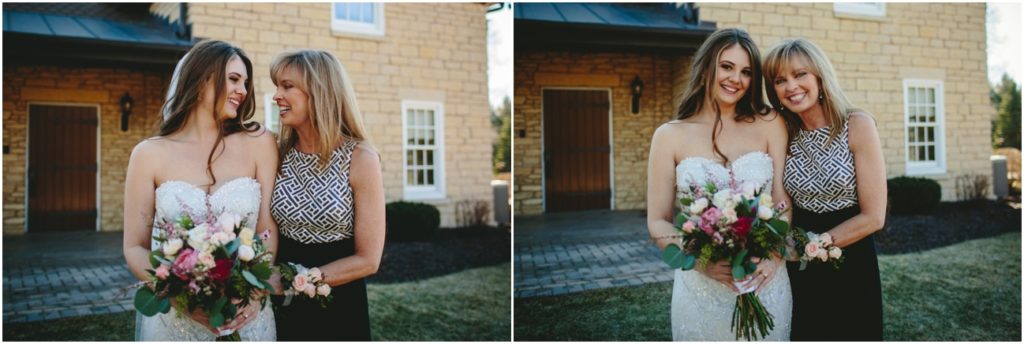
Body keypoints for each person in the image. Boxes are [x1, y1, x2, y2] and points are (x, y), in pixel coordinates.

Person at [123, 40, 279, 340]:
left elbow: (266, 228)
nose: (243, 91)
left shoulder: (259, 142)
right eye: (234, 79)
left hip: (247, 315)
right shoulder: (148, 154)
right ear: (201, 80)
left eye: (245, 83)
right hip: (177, 321)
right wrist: (179, 298)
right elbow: (135, 247)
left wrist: (254, 293)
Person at [646, 28, 792, 341]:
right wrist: (700, 262)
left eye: (746, 72)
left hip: (764, 280)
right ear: (706, 67)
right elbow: (657, 220)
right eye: (727, 67)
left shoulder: (770, 123)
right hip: (700, 290)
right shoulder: (669, 135)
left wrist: (773, 257)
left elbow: (783, 202)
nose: (736, 79)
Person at [763, 38, 886, 341]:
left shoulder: (856, 124)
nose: (791, 86)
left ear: (819, 76)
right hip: (799, 262)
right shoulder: (783, 132)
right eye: (780, 80)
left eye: (800, 74)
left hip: (851, 257)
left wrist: (814, 246)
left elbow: (874, 217)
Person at [268, 49, 386, 341]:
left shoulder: (360, 158)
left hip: (340, 303)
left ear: (319, 91)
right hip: (280, 304)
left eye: (287, 86)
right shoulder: (276, 154)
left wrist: (298, 281)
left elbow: (368, 259)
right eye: (277, 87)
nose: (276, 96)